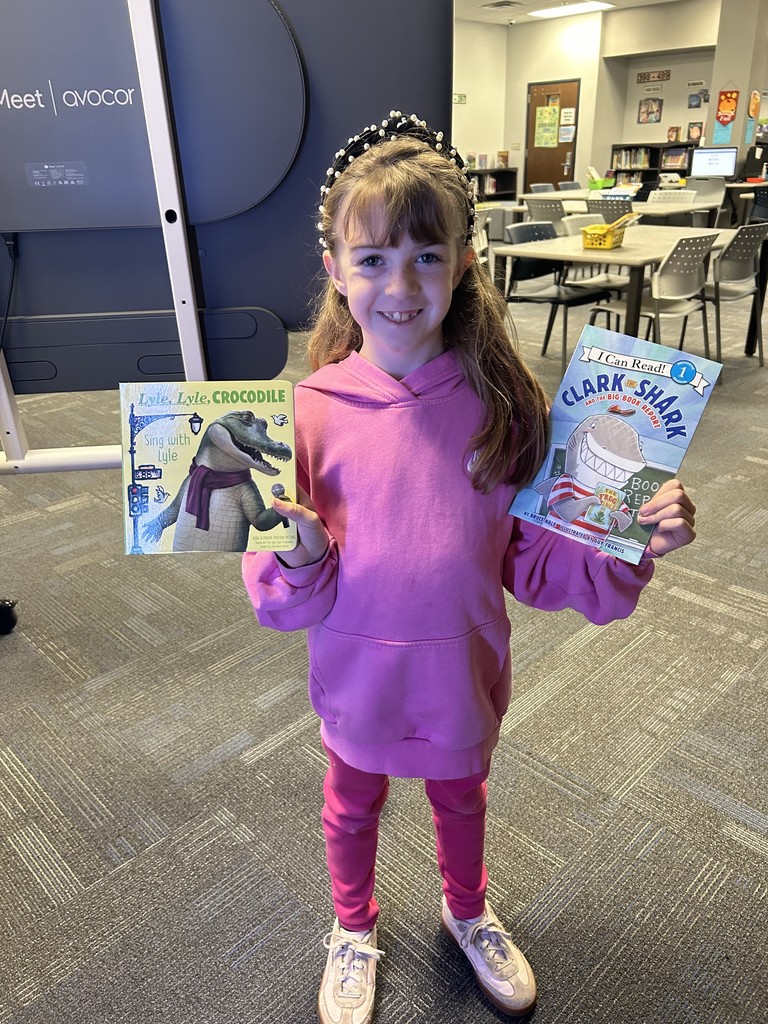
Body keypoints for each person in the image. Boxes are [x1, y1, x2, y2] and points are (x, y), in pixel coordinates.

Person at [242, 112, 697, 1022]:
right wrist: (300, 550)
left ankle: (466, 910)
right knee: (350, 802)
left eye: (426, 257)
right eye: (372, 260)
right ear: (335, 270)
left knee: (462, 797)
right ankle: (352, 926)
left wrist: (628, 542)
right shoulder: (302, 413)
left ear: (463, 263)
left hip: (460, 667)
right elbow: (281, 595)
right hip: (357, 668)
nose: (400, 285)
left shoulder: (506, 404)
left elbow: (533, 561)